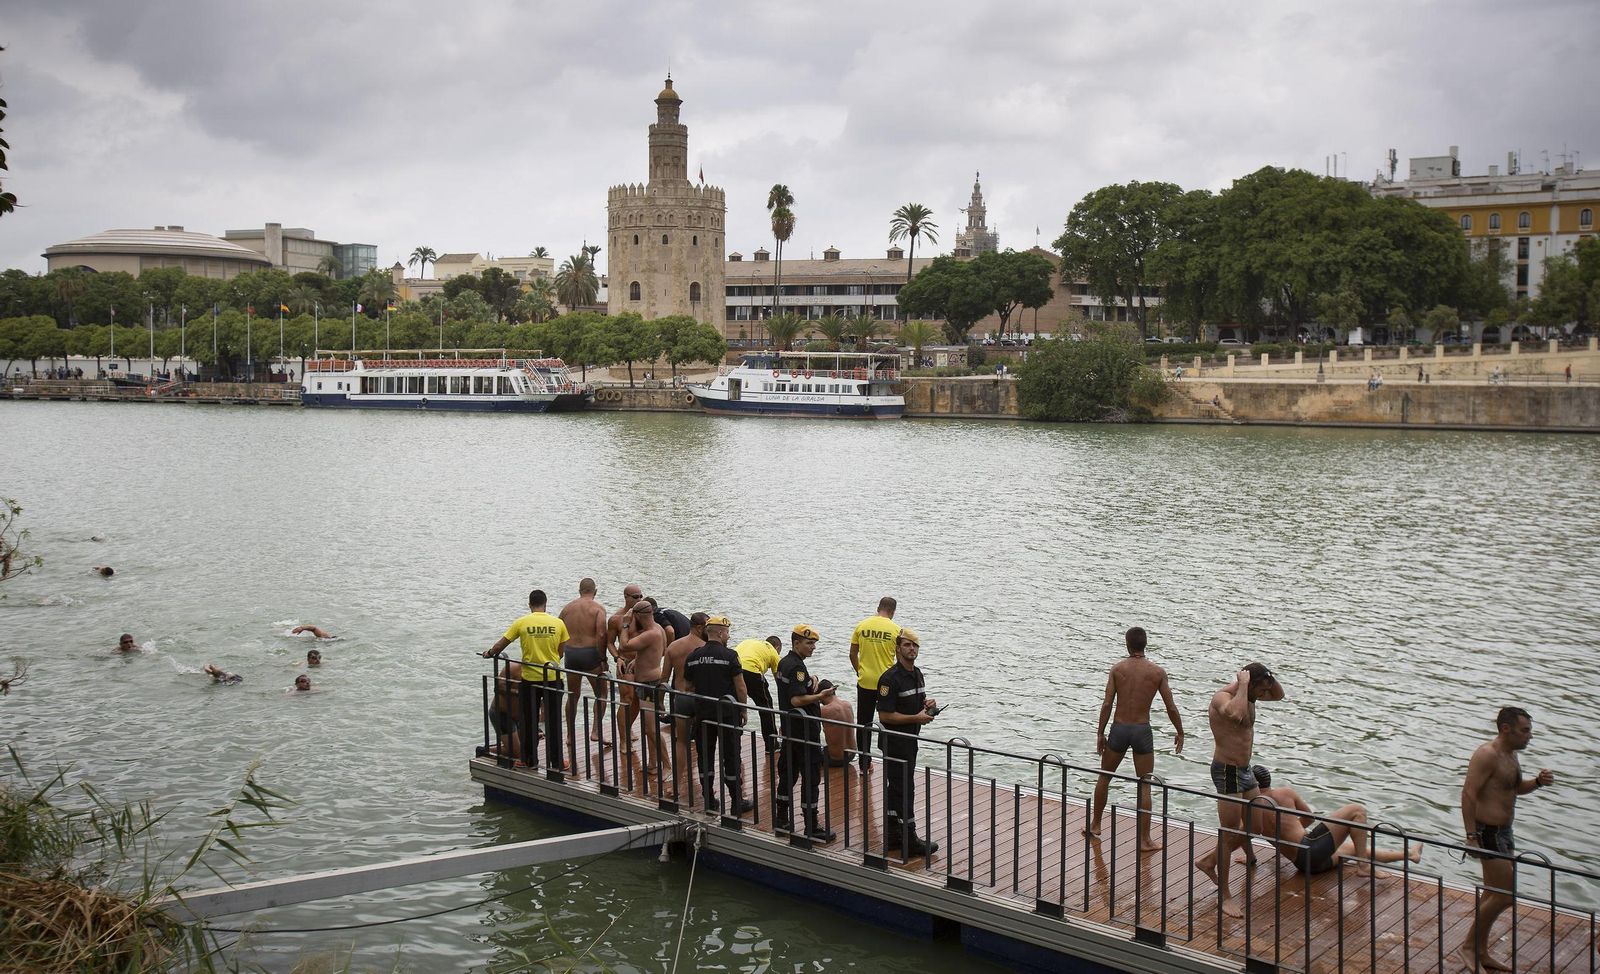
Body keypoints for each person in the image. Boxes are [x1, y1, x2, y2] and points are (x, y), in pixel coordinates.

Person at [1456, 707, 1557, 972]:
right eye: (1525, 731)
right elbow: (1468, 794)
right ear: (1505, 729)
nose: (1530, 736)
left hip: (1504, 833)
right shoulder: (1486, 755)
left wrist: (1536, 782)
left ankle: (1480, 951)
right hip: (1486, 832)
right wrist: (1471, 837)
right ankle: (1467, 947)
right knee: (1505, 896)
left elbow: (1513, 788)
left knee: (1492, 893)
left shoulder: (1510, 756)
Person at [1193, 663, 1284, 918]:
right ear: (1248, 683)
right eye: (1260, 689)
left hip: (1245, 770)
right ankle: (1225, 895)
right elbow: (1235, 714)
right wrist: (1242, 685)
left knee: (1255, 826)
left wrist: (1268, 677)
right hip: (1227, 771)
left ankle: (1208, 861)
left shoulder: (1253, 694)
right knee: (1229, 833)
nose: (1264, 695)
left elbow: (1279, 695)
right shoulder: (1223, 697)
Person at [1087, 626, 1184, 851]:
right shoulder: (1157, 672)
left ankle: (1096, 825)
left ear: (1127, 644)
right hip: (1142, 730)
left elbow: (1107, 704)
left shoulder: (1117, 669)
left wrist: (1100, 733)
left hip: (1119, 729)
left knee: (1104, 777)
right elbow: (1170, 706)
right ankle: (1144, 840)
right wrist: (1179, 731)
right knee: (1145, 785)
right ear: (1145, 644)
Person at [1246, 766, 1420, 875]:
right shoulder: (1284, 793)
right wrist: (1297, 829)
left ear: (1253, 786)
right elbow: (1309, 817)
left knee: (1353, 848)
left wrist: (1251, 858)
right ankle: (1364, 867)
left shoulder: (1251, 808)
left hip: (1304, 865)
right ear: (1268, 780)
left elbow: (1243, 834)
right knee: (1357, 811)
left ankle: (1409, 855)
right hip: (1310, 850)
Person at [480, 589, 570, 772]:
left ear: (530, 605)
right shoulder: (558, 623)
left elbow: (501, 645)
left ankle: (528, 761)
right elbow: (561, 652)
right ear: (546, 604)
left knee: (529, 721)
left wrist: (489, 653)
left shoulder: (521, 622)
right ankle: (558, 763)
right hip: (553, 677)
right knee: (554, 722)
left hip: (530, 679)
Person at [877, 627, 939, 859]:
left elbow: (915, 704)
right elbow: (885, 716)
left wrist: (927, 706)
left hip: (911, 739)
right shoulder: (889, 679)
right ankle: (909, 838)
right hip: (895, 742)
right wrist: (917, 718)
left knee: (898, 788)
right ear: (897, 648)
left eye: (915, 645)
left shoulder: (917, 673)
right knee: (904, 788)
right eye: (907, 645)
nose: (912, 649)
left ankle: (894, 835)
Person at [683, 615, 750, 815]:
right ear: (721, 633)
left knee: (705, 756)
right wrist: (743, 709)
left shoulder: (694, 656)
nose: (728, 635)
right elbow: (741, 687)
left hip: (703, 714)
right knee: (730, 756)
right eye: (727, 632)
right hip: (727, 715)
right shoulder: (730, 655)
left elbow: (688, 686)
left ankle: (709, 800)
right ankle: (737, 801)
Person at [775, 624, 836, 842]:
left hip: (790, 729)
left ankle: (781, 819)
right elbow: (796, 699)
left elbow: (794, 691)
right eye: (809, 643)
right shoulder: (798, 668)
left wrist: (811, 684)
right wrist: (821, 696)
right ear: (796, 642)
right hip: (804, 731)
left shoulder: (784, 663)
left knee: (788, 775)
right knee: (810, 778)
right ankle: (812, 826)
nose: (813, 648)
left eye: (814, 644)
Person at [558, 578, 611, 749]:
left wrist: (559, 653)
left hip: (571, 654)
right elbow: (602, 634)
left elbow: (558, 629)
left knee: (573, 695)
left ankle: (570, 735)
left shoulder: (567, 608)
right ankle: (595, 731)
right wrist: (602, 658)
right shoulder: (598, 609)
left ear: (579, 590)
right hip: (590, 654)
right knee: (602, 693)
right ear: (595, 591)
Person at [850, 596, 900, 772]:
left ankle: (864, 764)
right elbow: (900, 660)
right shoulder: (896, 630)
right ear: (893, 612)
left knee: (864, 722)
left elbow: (852, 654)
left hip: (865, 681)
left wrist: (860, 671)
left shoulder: (862, 625)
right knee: (888, 720)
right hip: (886, 683)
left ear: (878, 607)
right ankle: (888, 759)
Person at [663, 611, 709, 794]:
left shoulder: (674, 646)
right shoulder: (707, 648)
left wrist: (660, 702)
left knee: (681, 742)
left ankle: (675, 786)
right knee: (704, 744)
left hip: (680, 697)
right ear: (699, 627)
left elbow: (664, 679)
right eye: (707, 626)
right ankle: (707, 788)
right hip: (701, 699)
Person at [619, 601, 667, 772]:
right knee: (648, 729)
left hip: (648, 684)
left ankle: (667, 765)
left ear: (637, 616)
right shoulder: (659, 629)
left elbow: (624, 646)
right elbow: (659, 651)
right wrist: (638, 660)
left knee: (652, 729)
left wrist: (625, 624)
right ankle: (653, 764)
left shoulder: (651, 633)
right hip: (648, 681)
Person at [735, 634, 783, 755]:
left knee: (735, 705)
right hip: (752, 671)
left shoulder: (750, 642)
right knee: (766, 707)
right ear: (777, 647)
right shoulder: (773, 652)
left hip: (734, 670)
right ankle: (771, 745)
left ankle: (735, 741)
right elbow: (779, 682)